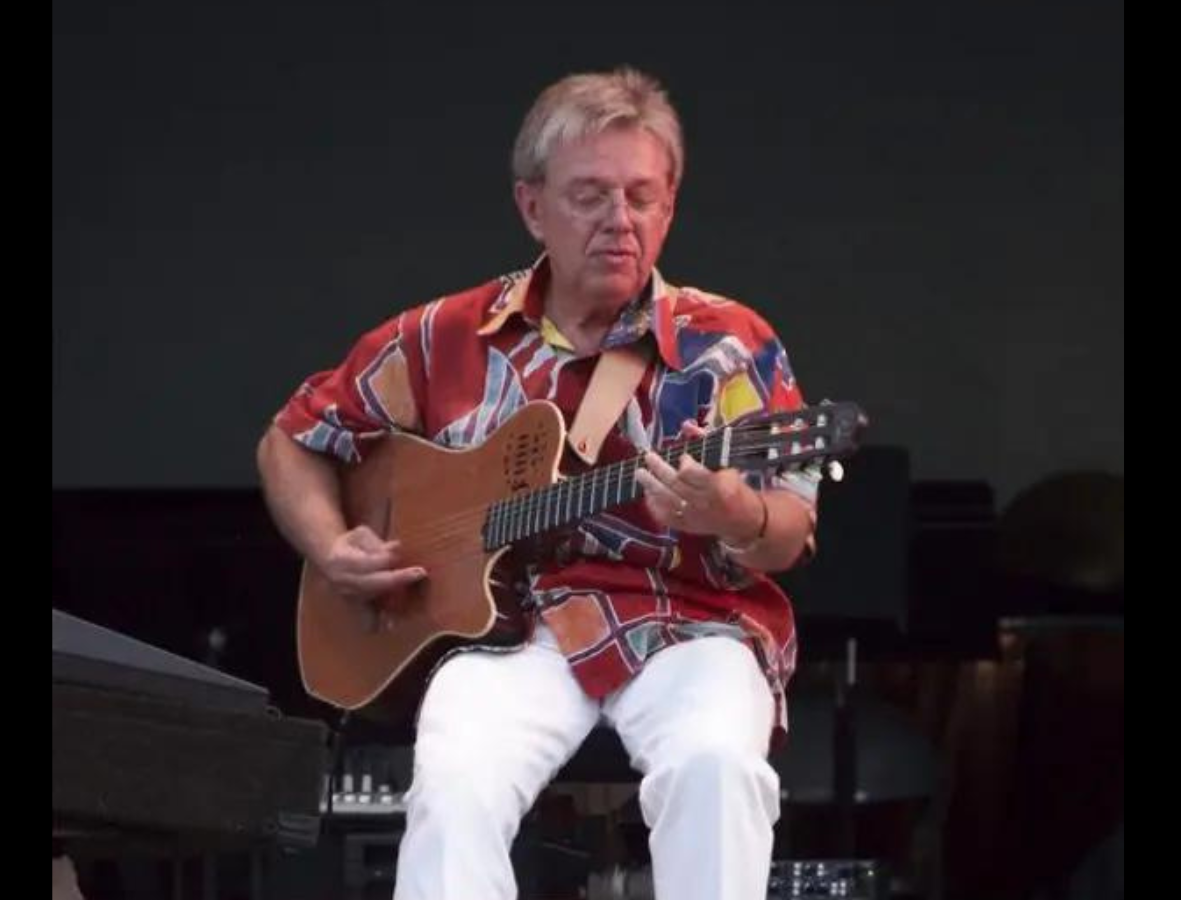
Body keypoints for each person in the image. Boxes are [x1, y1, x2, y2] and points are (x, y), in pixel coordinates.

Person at [256, 66, 820, 900]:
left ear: (668, 207)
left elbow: (789, 531)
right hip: (509, 636)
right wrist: (334, 546)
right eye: (590, 196)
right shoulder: (445, 336)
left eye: (642, 196)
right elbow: (292, 439)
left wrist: (736, 514)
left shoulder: (731, 345)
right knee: (453, 786)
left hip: (692, 625)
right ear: (532, 206)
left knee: (717, 767)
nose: (619, 219)